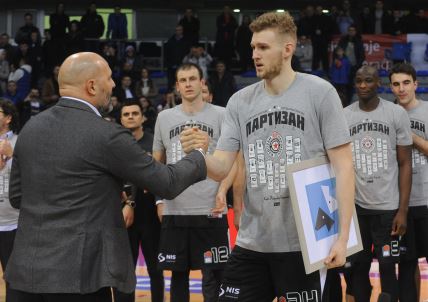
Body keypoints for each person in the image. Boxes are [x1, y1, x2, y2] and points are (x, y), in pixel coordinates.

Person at [4, 52, 208, 302]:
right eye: (109, 78)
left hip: (25, 273)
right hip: (79, 278)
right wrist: (198, 154)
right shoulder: (107, 135)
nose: (113, 84)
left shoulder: (30, 128)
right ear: (91, 85)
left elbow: (17, 197)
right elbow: (167, 182)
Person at [181, 12, 355, 301]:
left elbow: (344, 167)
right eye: (252, 47)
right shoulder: (240, 101)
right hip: (252, 242)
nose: (255, 54)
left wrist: (343, 237)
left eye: (263, 47)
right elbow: (221, 167)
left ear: (288, 49)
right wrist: (201, 153)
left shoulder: (320, 93)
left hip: (304, 244)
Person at [153, 63, 234, 302]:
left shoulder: (221, 114)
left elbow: (231, 160)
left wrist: (223, 192)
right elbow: (157, 164)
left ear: (202, 83)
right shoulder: (163, 118)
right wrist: (159, 200)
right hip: (175, 208)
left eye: (192, 79)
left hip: (211, 209)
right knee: (178, 278)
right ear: (177, 87)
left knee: (217, 277)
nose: (188, 84)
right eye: (183, 80)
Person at [343, 65, 412, 302]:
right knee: (357, 271)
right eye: (359, 80)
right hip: (356, 209)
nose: (363, 85)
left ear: (378, 84)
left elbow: (405, 163)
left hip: (387, 209)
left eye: (369, 80)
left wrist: (402, 210)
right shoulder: (345, 116)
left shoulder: (395, 114)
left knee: (388, 270)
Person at [114, 100, 164, 302]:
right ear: (121, 119)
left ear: (143, 117)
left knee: (155, 270)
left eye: (135, 113)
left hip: (151, 215)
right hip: (122, 215)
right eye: (126, 114)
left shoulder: (154, 143)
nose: (130, 117)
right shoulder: (115, 144)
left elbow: (162, 175)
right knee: (125, 272)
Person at [389, 63, 428, 302]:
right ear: (390, 87)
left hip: (426, 198)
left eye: (406, 83)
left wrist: (409, 135)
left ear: (416, 84)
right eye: (396, 84)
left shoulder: (426, 111)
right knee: (406, 264)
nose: (401, 89)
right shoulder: (387, 115)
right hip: (400, 203)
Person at [0, 98, 19, 302]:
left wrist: (12, 156)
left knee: (14, 280)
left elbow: (31, 175)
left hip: (12, 223)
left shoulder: (20, 142)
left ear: (8, 118)